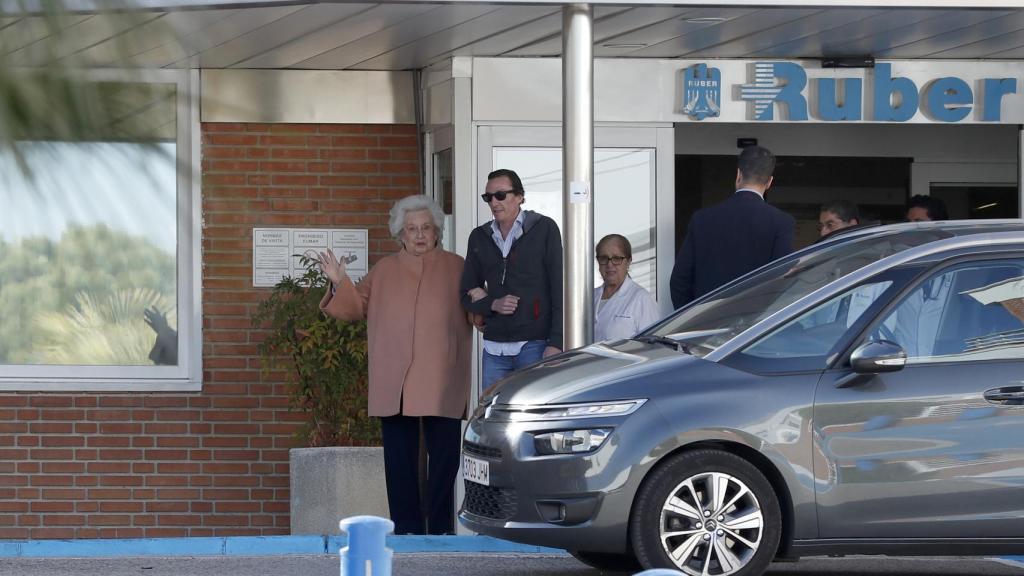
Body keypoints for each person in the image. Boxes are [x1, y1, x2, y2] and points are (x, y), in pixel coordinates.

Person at [317, 195, 471, 536]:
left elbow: (477, 310)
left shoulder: (458, 266)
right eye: (411, 228)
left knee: (444, 462)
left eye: (426, 228)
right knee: (399, 462)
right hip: (395, 381)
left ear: (436, 232)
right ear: (400, 233)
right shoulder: (385, 269)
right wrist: (339, 281)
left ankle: (440, 531)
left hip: (442, 376)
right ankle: (407, 531)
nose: (419, 235)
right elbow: (355, 308)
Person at [461, 168, 563, 392]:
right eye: (488, 197)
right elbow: (466, 292)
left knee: (532, 414)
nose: (494, 202)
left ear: (519, 197)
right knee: (492, 415)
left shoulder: (544, 229)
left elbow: (559, 288)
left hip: (534, 344)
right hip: (493, 348)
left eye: (500, 195)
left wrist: (556, 343)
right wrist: (492, 304)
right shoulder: (479, 236)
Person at [669, 145, 795, 309]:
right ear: (769, 182)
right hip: (754, 327)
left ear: (738, 175)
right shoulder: (782, 222)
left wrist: (689, 320)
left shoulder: (702, 219)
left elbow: (679, 280)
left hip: (705, 323)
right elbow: (781, 280)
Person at [593, 234, 659, 341]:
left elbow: (653, 347)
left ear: (628, 261)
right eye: (604, 258)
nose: (610, 264)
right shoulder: (590, 298)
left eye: (617, 258)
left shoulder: (642, 300)